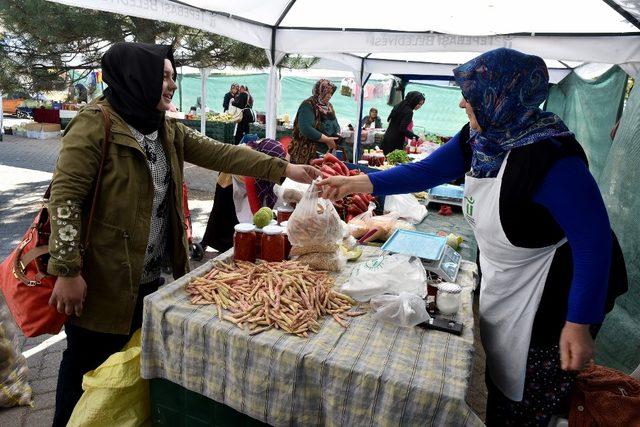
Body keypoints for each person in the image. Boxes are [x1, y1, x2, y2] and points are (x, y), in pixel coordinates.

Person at [319, 48, 627, 426]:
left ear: (501, 97)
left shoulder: (552, 158)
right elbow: (426, 171)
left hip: (556, 290)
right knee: (501, 376)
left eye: (472, 93)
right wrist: (357, 180)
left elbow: (593, 243)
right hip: (510, 276)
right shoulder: (480, 138)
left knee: (533, 395)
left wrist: (579, 322)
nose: (463, 100)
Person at [47, 42, 320, 427]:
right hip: (99, 279)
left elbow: (225, 154)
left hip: (145, 277)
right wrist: (67, 269)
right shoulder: (96, 123)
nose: (172, 84)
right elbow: (66, 198)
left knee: (123, 367)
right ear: (136, 76)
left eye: (174, 76)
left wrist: (286, 169)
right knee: (84, 363)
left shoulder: (164, 129)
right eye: (164, 76)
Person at [200, 138, 286, 251]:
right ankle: (214, 244)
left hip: (240, 178)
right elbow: (254, 198)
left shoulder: (270, 154)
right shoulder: (252, 165)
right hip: (228, 180)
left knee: (235, 216)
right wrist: (261, 217)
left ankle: (231, 244)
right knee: (222, 212)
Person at [288, 79, 342, 165]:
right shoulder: (307, 105)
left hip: (324, 153)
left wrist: (337, 134)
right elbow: (306, 128)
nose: (329, 96)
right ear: (319, 91)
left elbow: (334, 124)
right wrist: (327, 140)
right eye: (326, 92)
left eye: (331, 93)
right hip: (305, 153)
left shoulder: (329, 107)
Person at [380, 91, 425, 155]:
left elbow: (390, 120)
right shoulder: (409, 112)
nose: (419, 106)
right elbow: (402, 129)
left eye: (421, 104)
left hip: (387, 137)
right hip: (396, 141)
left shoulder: (398, 106)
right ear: (414, 101)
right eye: (419, 104)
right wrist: (416, 138)